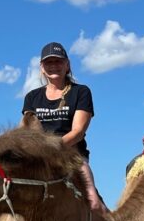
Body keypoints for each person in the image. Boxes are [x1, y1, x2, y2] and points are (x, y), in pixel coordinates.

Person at [22, 41, 103, 210]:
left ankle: (99, 213)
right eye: (48, 62)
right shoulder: (32, 97)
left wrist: (52, 148)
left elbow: (78, 132)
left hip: (70, 153)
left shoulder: (81, 92)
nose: (53, 66)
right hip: (39, 157)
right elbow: (26, 130)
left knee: (92, 200)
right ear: (42, 67)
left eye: (58, 61)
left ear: (67, 64)